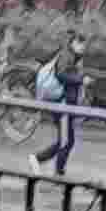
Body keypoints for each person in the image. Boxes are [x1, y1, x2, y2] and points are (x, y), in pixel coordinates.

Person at [32, 41, 83, 172]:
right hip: (62, 104)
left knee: (66, 141)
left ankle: (45, 162)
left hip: (65, 104)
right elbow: (61, 74)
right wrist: (80, 79)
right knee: (66, 141)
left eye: (84, 44)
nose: (83, 46)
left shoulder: (73, 56)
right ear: (73, 42)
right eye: (80, 43)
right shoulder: (67, 55)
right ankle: (50, 166)